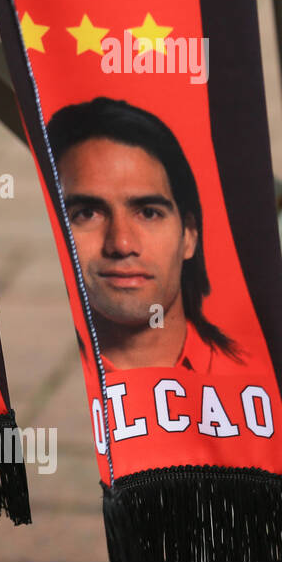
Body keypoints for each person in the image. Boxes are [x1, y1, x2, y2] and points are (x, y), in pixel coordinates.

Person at [46, 96, 243, 373]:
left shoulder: (255, 379)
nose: (122, 243)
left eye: (149, 213)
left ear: (189, 235)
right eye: (88, 213)